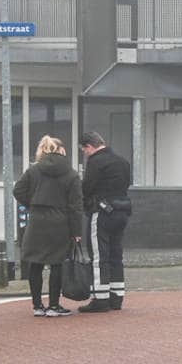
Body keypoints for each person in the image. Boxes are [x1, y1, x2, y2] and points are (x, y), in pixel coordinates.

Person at [12, 136, 84, 317]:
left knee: (35, 263)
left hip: (37, 220)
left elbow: (18, 190)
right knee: (57, 263)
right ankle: (54, 305)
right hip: (60, 221)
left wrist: (32, 203)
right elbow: (76, 205)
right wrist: (77, 231)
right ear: (61, 150)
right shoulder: (71, 173)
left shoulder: (33, 170)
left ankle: (37, 306)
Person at [79, 132, 132, 313]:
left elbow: (87, 187)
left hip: (101, 212)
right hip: (122, 212)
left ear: (89, 146)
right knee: (116, 254)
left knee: (99, 256)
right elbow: (126, 185)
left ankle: (100, 299)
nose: (85, 153)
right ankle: (116, 297)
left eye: (84, 150)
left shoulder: (95, 162)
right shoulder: (123, 161)